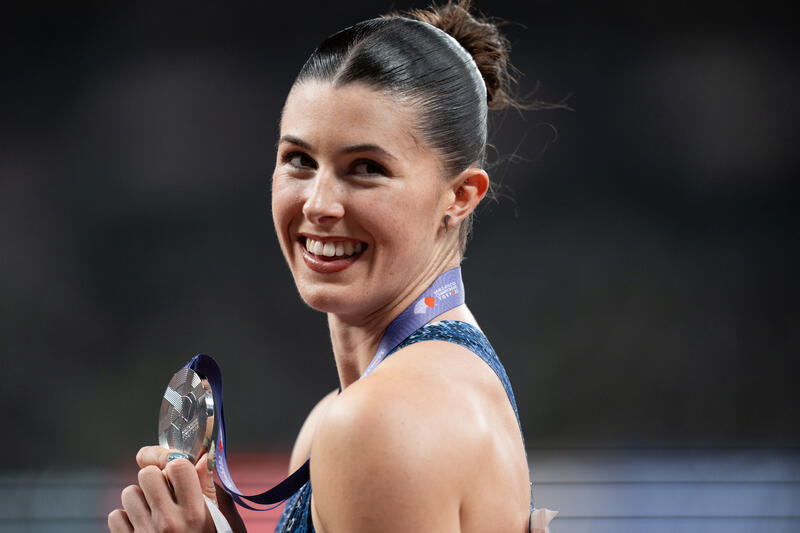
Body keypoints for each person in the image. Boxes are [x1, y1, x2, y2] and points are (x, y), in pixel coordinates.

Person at [108, 1, 557, 531]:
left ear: (460, 196)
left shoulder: (382, 421)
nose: (319, 204)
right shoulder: (400, 400)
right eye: (299, 160)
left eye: (366, 168)